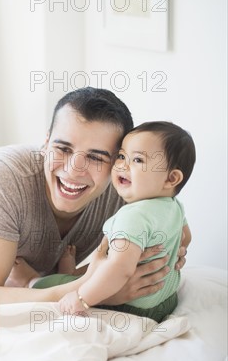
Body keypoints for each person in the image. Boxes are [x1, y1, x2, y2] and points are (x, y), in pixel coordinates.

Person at [0, 87, 189, 303]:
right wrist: (92, 294)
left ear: (119, 161)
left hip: (27, 295)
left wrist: (174, 250)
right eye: (63, 149)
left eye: (95, 157)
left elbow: (177, 229)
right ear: (45, 143)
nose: (73, 170)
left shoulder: (126, 189)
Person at [31, 122, 195, 322]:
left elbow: (120, 269)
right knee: (86, 275)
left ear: (171, 178)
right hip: (165, 301)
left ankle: (30, 280)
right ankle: (72, 272)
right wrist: (171, 256)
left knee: (47, 284)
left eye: (137, 159)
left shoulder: (133, 216)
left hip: (130, 306)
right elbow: (186, 237)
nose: (122, 165)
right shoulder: (174, 206)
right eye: (121, 156)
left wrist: (81, 299)